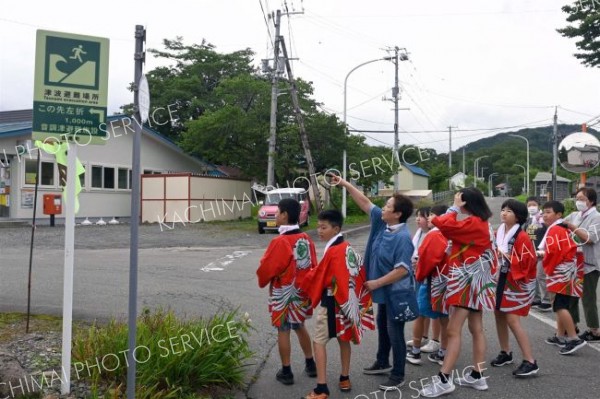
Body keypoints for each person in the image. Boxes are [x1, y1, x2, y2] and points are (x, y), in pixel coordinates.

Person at [331, 175, 414, 391]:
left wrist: (376, 283)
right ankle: (382, 361)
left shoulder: (403, 237)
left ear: (397, 214)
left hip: (395, 292)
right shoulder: (382, 224)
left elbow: (403, 269)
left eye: (387, 206)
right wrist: (345, 183)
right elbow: (365, 202)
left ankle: (398, 375)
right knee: (383, 325)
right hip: (383, 292)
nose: (383, 208)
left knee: (395, 331)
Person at [420, 188, 496, 398]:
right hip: (477, 282)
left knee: (453, 330)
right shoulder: (482, 223)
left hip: (467, 282)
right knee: (476, 328)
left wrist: (453, 207)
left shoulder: (473, 223)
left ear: (466, 202)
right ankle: (477, 375)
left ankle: (444, 379)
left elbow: (443, 224)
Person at [301, 209, 374, 399]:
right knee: (344, 340)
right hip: (346, 304)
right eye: (318, 226)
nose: (319, 230)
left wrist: (303, 282)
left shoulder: (333, 251)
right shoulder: (347, 247)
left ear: (336, 229)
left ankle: (321, 388)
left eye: (323, 227)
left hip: (331, 303)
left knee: (318, 342)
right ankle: (344, 377)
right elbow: (358, 272)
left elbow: (320, 277)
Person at [256, 198, 318, 385]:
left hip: (283, 292)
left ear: (284, 215)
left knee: (283, 330)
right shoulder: (306, 239)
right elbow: (313, 266)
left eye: (277, 212)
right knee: (299, 326)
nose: (275, 215)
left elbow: (266, 269)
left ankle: (287, 371)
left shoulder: (279, 241)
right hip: (301, 291)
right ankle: (311, 364)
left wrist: (264, 278)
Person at [491, 199, 539, 377]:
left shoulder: (522, 236)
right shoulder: (499, 232)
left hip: (515, 282)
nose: (504, 213)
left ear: (518, 216)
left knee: (512, 319)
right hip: (500, 278)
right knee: (498, 314)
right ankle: (505, 352)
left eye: (509, 211)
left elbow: (529, 261)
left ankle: (530, 360)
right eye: (503, 210)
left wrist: (508, 257)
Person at [539, 200, 587, 355]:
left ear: (558, 214)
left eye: (548, 212)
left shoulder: (555, 230)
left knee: (560, 305)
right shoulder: (560, 228)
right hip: (567, 272)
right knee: (560, 304)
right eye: (544, 212)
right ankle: (560, 335)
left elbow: (553, 253)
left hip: (561, 273)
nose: (544, 215)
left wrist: (547, 266)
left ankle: (574, 338)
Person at [413, 204, 450, 367]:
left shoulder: (434, 235)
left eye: (432, 215)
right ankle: (443, 351)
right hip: (446, 280)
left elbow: (427, 260)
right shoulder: (447, 234)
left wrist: (419, 274)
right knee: (444, 318)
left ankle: (415, 351)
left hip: (432, 280)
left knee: (420, 314)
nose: (429, 218)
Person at [562, 188, 600, 342]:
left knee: (588, 298)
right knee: (571, 296)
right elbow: (563, 224)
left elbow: (590, 238)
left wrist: (572, 227)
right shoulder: (575, 215)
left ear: (591, 201)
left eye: (582, 199)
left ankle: (595, 330)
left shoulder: (597, 217)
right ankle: (573, 326)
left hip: (590, 263)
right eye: (577, 198)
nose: (578, 201)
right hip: (574, 262)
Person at [407, 207, 442, 359]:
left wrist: (419, 266)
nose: (420, 219)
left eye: (423, 216)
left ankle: (433, 341)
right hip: (420, 275)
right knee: (423, 310)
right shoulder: (420, 233)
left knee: (431, 310)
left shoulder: (434, 234)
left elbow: (430, 259)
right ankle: (423, 337)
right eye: (418, 216)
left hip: (429, 277)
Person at [523, 196, 552, 311]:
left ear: (539, 205)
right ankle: (536, 298)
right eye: (529, 205)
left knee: (541, 276)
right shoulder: (528, 220)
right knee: (532, 276)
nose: (531, 207)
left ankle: (547, 301)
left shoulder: (542, 219)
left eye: (533, 205)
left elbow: (549, 232)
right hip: (531, 252)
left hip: (542, 252)